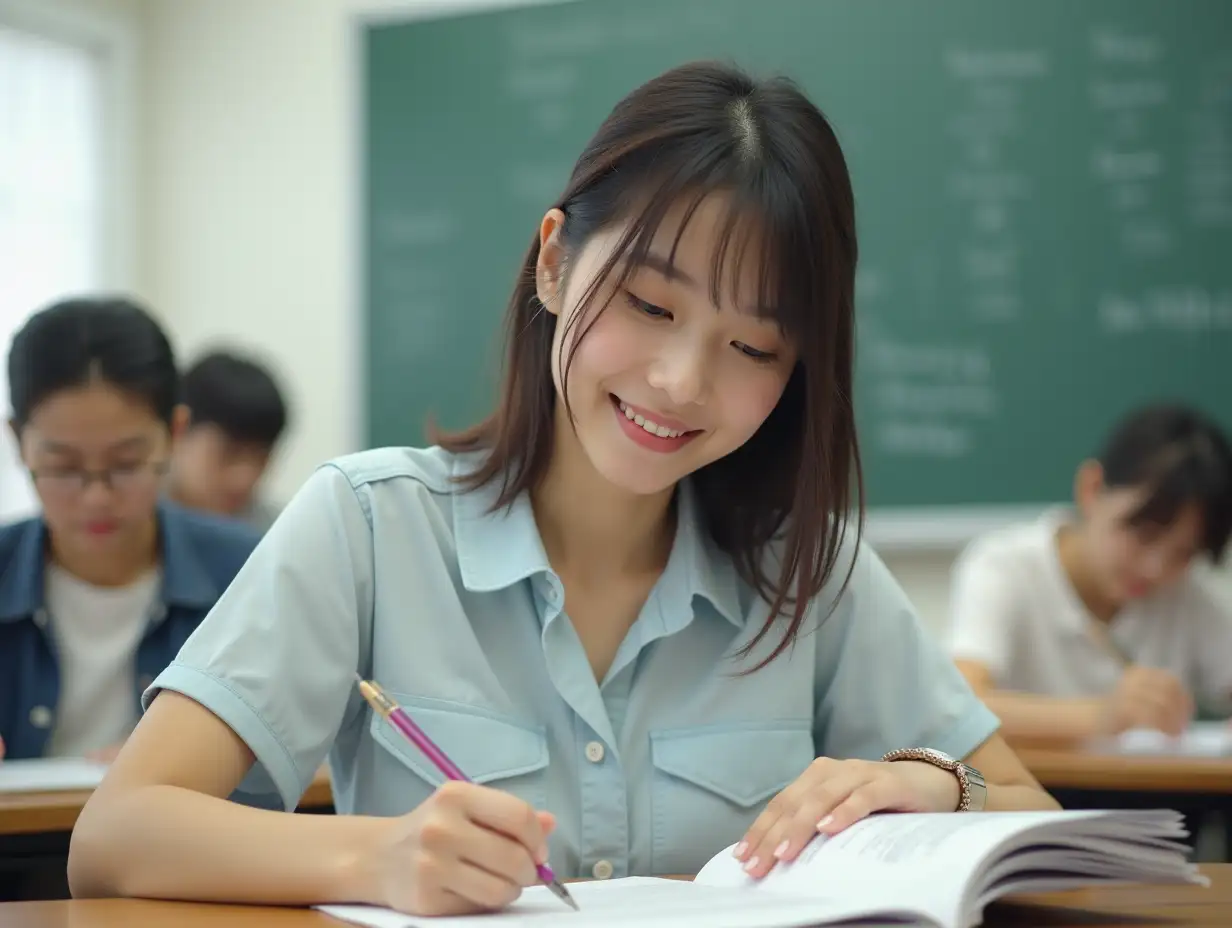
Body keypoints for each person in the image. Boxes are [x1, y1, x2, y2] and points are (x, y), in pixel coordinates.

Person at [68, 61, 1056, 914]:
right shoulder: (369, 524)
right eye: (648, 302)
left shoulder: (807, 566)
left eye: (750, 344)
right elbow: (114, 839)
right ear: (553, 260)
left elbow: (1033, 814)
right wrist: (376, 856)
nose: (680, 380)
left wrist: (933, 784)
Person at [0, 297, 261, 764]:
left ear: (175, 433)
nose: (97, 496)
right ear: (18, 442)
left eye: (126, 464)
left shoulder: (249, 574)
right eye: (64, 467)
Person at [947, 404, 1232, 746]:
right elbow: (960, 707)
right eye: (1144, 534)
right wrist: (1103, 716)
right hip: (1035, 792)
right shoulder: (1003, 568)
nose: (1154, 568)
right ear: (1092, 488)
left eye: (1184, 554)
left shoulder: (1188, 593)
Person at [167, 350, 289, 532]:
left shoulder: (278, 535)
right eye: (229, 453)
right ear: (179, 430)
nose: (244, 479)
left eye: (262, 458)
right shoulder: (130, 523)